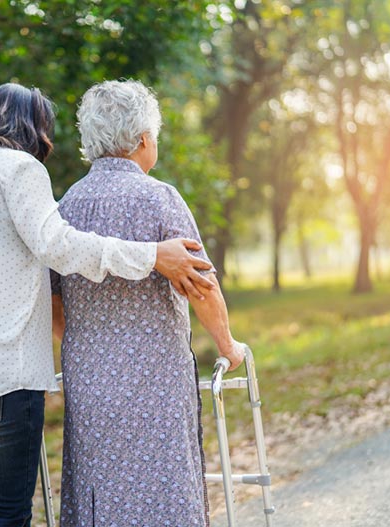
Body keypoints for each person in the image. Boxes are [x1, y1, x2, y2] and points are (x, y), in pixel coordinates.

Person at [0, 82, 215, 527]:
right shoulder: (18, 168)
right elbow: (58, 246)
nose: (48, 143)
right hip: (1, 374)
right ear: (30, 127)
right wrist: (153, 255)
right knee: (5, 515)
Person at [51, 79, 245, 527]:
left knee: (100, 489)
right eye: (154, 135)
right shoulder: (159, 198)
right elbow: (203, 286)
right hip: (156, 376)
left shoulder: (64, 209)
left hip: (89, 380)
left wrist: (88, 342)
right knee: (165, 487)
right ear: (142, 140)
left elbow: (54, 301)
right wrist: (228, 345)